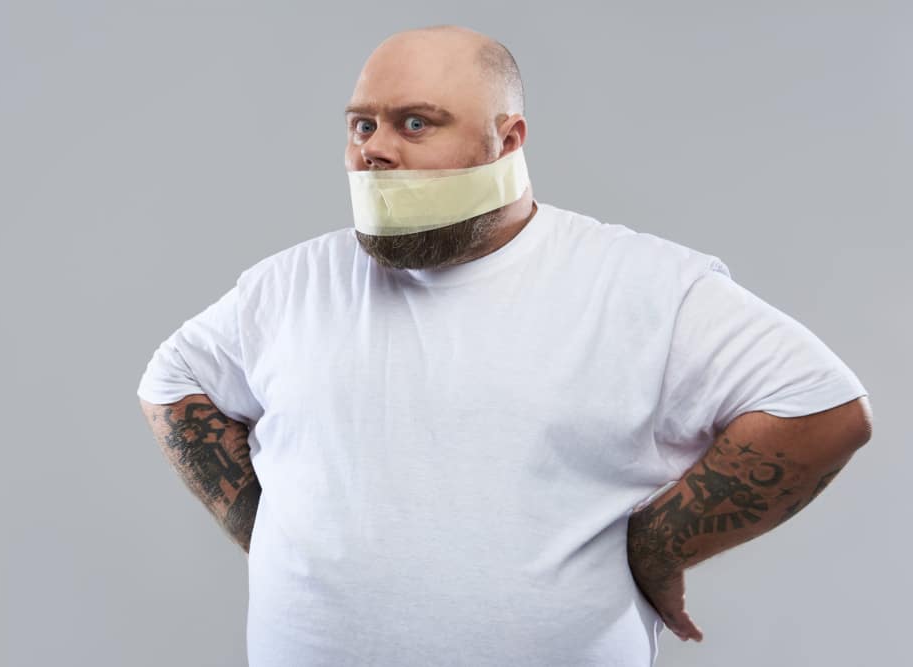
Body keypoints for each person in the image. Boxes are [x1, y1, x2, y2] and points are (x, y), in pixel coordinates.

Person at [136, 24, 873, 667]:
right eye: (362, 126)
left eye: (416, 123)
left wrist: (655, 548)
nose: (375, 151)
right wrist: (267, 536)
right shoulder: (290, 283)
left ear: (508, 137)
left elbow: (821, 407)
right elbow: (172, 378)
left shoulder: (640, 284)